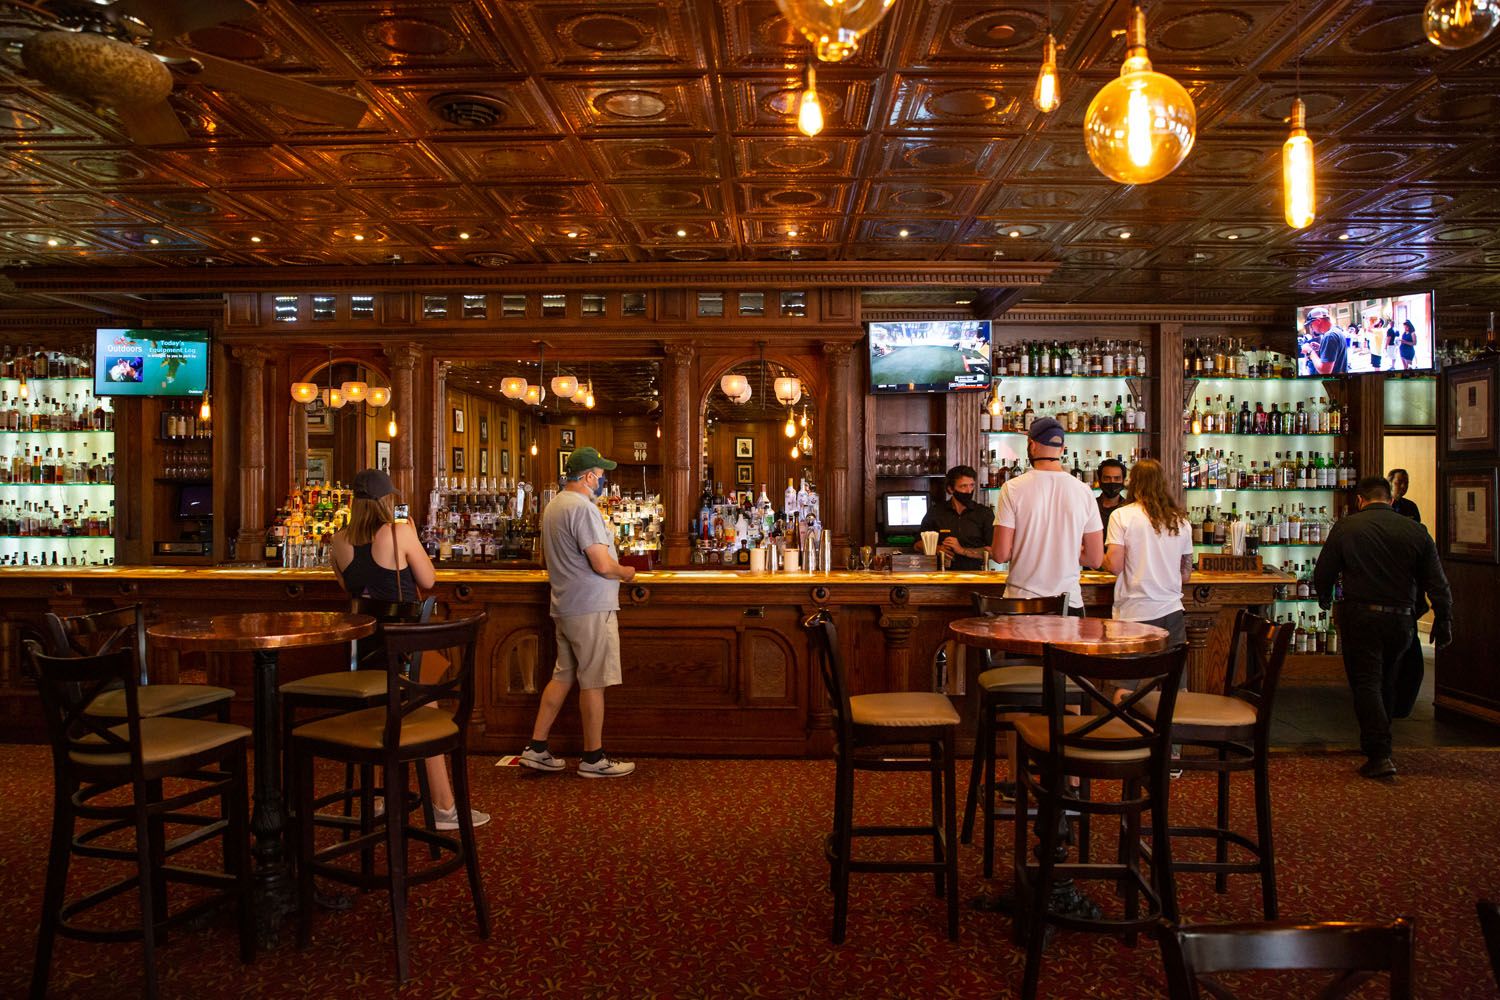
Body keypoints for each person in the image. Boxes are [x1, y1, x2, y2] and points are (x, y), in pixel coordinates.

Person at [331, 468, 490, 830]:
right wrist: (412, 534)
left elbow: (349, 591)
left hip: (362, 659)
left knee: (381, 715)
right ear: (387, 500)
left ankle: (378, 801)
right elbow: (428, 580)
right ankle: (444, 807)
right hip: (404, 653)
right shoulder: (399, 531)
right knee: (425, 709)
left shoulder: (337, 541)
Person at [1312, 476, 1453, 780]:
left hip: (1361, 616)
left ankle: (1379, 753)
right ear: (1390, 500)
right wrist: (1444, 618)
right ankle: (1381, 744)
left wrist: (1324, 596)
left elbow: (1323, 572)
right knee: (1387, 680)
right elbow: (1437, 582)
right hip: (1402, 619)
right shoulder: (1416, 531)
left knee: (1366, 682)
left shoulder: (1348, 527)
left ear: (1360, 500)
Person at [520, 447, 638, 778]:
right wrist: (626, 571)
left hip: (564, 603)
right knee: (594, 682)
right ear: (588, 477)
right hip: (590, 606)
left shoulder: (554, 506)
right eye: (601, 476)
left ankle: (536, 746)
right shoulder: (583, 509)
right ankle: (593, 757)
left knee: (563, 674)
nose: (602, 482)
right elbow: (601, 564)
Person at [990, 417, 1104, 613]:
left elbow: (1000, 555)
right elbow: (1095, 560)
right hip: (1068, 605)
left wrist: (1023, 548)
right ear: (1061, 449)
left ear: (1032, 445)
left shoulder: (1013, 488)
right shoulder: (1083, 490)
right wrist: (1066, 550)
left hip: (1022, 603)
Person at [1101, 459, 1193, 648]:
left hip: (1134, 614)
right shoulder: (1181, 521)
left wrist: (1093, 555)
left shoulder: (1121, 515)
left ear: (1132, 482)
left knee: (1129, 675)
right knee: (1171, 675)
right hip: (1172, 612)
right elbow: (1185, 574)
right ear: (1163, 483)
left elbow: (1115, 565)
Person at [1386, 468, 1426, 718]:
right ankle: (1390, 713)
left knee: (1403, 659)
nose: (1403, 486)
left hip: (1397, 598)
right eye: (1399, 482)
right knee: (1402, 655)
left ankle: (1394, 710)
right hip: (1401, 598)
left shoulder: (1411, 509)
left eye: (1406, 482)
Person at [917, 464, 993, 570]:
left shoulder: (984, 513)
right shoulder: (935, 512)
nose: (969, 491)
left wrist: (961, 550)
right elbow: (917, 544)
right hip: (941, 575)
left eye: (971, 485)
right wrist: (937, 549)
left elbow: (994, 552)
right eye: (963, 486)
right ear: (951, 489)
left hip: (975, 577)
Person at [1301, 307, 1348, 375]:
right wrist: (1321, 348)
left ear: (1318, 321)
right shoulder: (1336, 331)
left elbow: (1325, 371)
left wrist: (1309, 351)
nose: (1311, 328)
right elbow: (1336, 353)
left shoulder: (1329, 336)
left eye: (1311, 325)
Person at [1094, 457, 1128, 536]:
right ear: (1099, 481)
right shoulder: (1090, 507)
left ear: (1123, 481)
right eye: (1107, 478)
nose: (1112, 482)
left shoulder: (1129, 508)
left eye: (1117, 478)